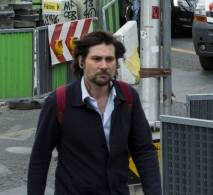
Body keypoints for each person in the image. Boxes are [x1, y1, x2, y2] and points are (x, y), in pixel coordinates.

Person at [27, 30, 161, 195]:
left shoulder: (127, 97)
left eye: (109, 59)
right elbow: (40, 158)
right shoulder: (59, 101)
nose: (104, 66)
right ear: (81, 62)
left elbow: (143, 151)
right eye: (96, 59)